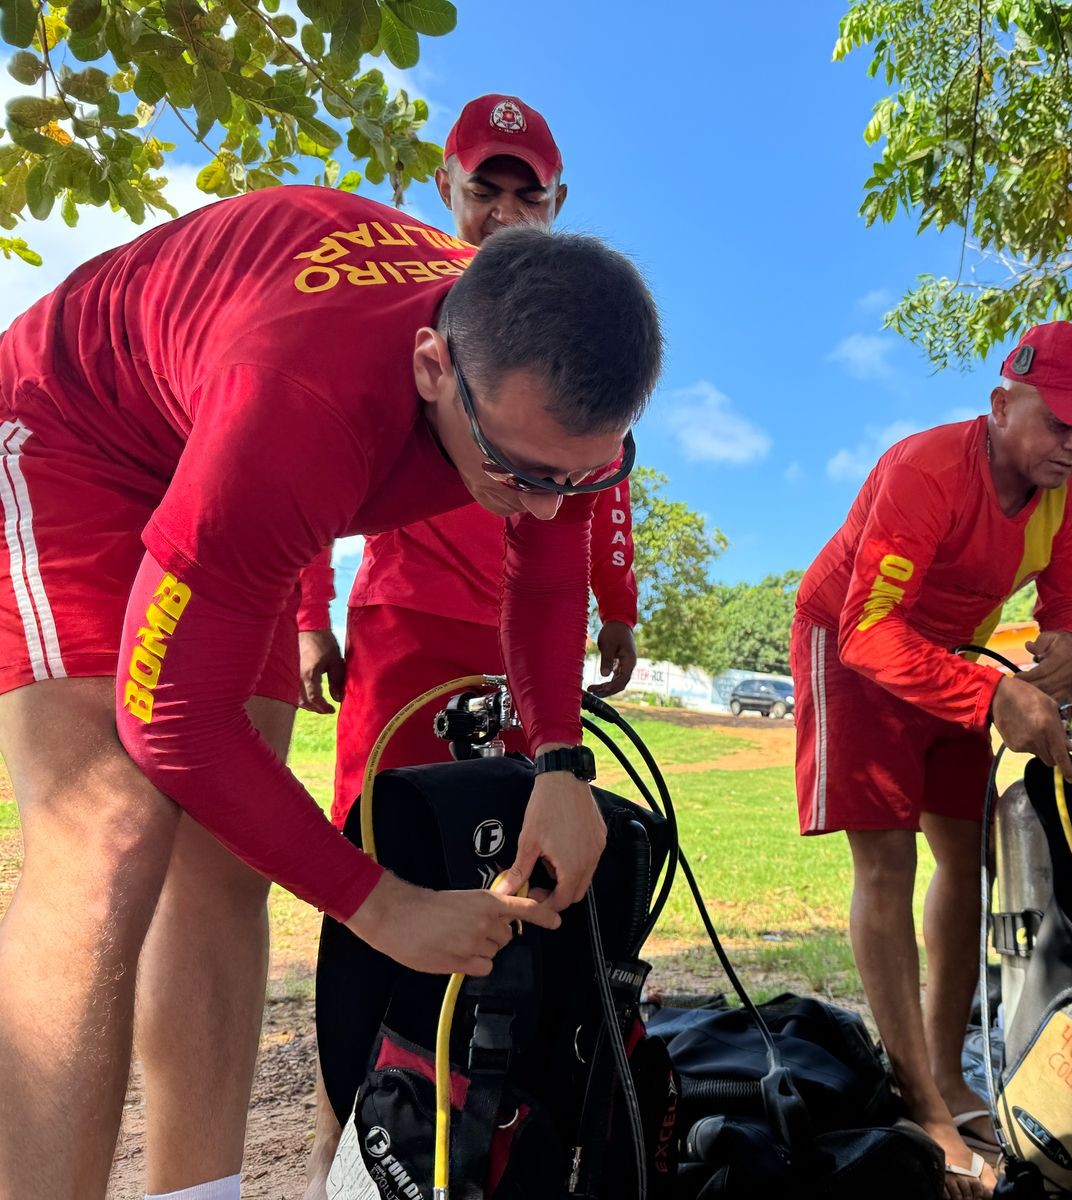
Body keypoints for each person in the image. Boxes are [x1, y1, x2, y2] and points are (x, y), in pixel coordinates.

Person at [0, 186, 661, 1199]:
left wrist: (559, 765)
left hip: (233, 459)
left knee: (228, 854)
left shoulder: (545, 422)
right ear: (434, 364)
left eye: (580, 478)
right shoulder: (303, 405)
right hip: (84, 435)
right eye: (517, 469)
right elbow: (170, 722)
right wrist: (376, 904)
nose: (538, 504)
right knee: (111, 832)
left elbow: (545, 565)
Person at [790, 321, 1072, 1198]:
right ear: (1001, 404)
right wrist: (994, 697)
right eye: (1060, 420)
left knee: (970, 856)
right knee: (889, 858)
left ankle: (947, 1075)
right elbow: (871, 630)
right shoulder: (927, 467)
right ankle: (922, 1106)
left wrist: (1069, 650)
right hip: (854, 643)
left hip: (952, 656)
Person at [295, 94, 639, 834]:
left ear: (560, 200)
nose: (506, 214)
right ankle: (381, 944)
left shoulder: (581, 321)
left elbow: (600, 481)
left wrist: (618, 604)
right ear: (446, 185)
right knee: (387, 821)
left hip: (531, 622)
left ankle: (504, 955)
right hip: (409, 611)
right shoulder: (398, 295)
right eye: (485, 192)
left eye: (529, 195)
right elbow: (314, 456)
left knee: (515, 822)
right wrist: (307, 613)